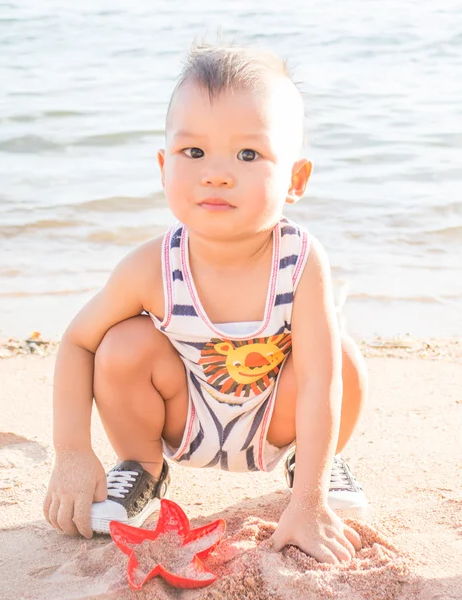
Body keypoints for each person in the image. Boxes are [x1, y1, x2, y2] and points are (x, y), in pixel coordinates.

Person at [43, 42, 369, 565]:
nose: (215, 173)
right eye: (193, 152)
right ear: (163, 165)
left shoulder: (302, 261)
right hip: (184, 414)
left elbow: (317, 380)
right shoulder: (152, 266)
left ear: (296, 179)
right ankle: (142, 470)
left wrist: (308, 502)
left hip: (276, 420)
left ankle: (312, 473)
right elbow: (77, 342)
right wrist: (73, 454)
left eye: (248, 154)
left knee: (342, 360)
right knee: (119, 344)